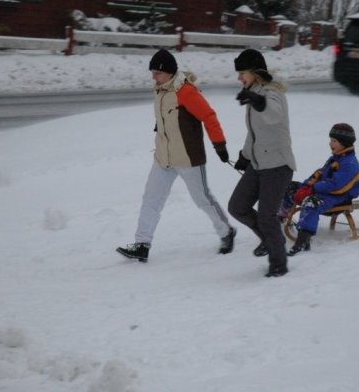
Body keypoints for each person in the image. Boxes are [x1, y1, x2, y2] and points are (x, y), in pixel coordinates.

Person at [116, 49, 236, 262]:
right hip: (163, 157)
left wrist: (220, 145)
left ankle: (226, 231)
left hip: (188, 157)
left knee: (202, 199)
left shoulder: (186, 92)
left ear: (169, 72)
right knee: (151, 199)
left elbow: (208, 116)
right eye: (152, 72)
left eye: (157, 72)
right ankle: (142, 244)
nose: (153, 77)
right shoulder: (160, 90)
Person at [227, 49, 296, 277]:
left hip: (277, 165)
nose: (239, 78)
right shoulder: (253, 92)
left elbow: (273, 114)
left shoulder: (272, 92)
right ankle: (268, 240)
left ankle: (279, 264)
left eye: (242, 73)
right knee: (237, 206)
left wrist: (258, 101)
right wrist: (245, 155)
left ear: (255, 72)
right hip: (258, 164)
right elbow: (255, 133)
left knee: (267, 217)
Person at [278, 123, 359, 256]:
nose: (330, 143)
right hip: (325, 193)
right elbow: (319, 174)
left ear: (344, 142)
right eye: (330, 140)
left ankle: (303, 240)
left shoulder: (350, 163)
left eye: (334, 141)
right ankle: (281, 217)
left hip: (340, 198)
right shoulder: (335, 158)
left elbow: (337, 185)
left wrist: (312, 189)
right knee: (289, 187)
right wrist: (306, 186)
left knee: (311, 202)